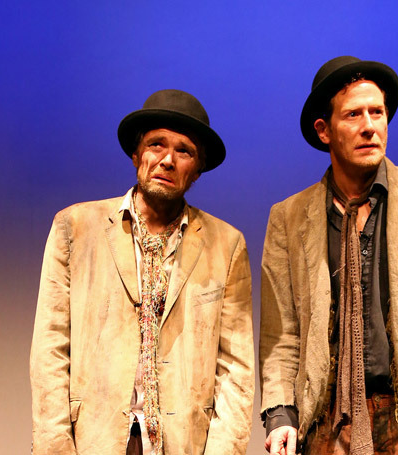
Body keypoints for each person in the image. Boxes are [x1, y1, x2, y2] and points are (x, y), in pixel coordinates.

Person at [259, 56, 398, 455]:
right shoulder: (288, 217)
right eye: (353, 115)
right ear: (324, 131)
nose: (369, 127)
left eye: (377, 112)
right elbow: (282, 333)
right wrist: (280, 415)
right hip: (325, 423)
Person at [30, 89, 254, 455]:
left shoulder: (225, 245)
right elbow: (51, 349)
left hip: (183, 442)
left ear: (196, 170)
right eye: (156, 145)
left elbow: (235, 369)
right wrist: (56, 448)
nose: (168, 159)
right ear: (136, 154)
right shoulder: (76, 227)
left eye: (184, 151)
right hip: (94, 438)